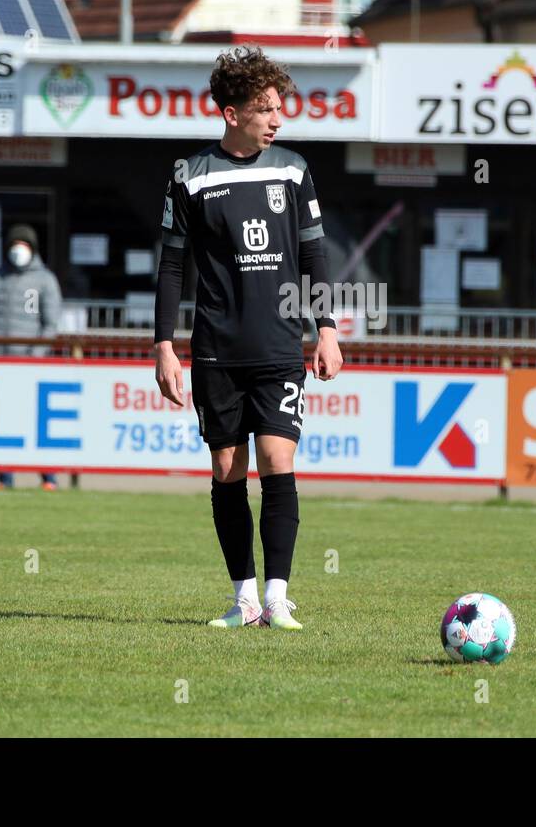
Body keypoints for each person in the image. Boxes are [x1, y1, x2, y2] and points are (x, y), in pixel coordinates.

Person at [153, 45, 342, 631]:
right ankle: (244, 598)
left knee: (277, 459)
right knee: (227, 468)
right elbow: (171, 267)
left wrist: (327, 328)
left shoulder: (294, 168)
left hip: (281, 346)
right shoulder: (190, 176)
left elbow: (313, 252)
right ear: (232, 113)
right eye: (265, 109)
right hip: (215, 348)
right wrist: (164, 344)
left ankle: (279, 598)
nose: (277, 119)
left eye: (279, 108)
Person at [0, 224, 63, 490]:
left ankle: (48, 476)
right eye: (13, 244)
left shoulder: (45, 280)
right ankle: (5, 476)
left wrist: (34, 356)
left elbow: (50, 324)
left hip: (29, 365)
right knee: (0, 421)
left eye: (22, 244)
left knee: (35, 421)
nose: (17, 250)